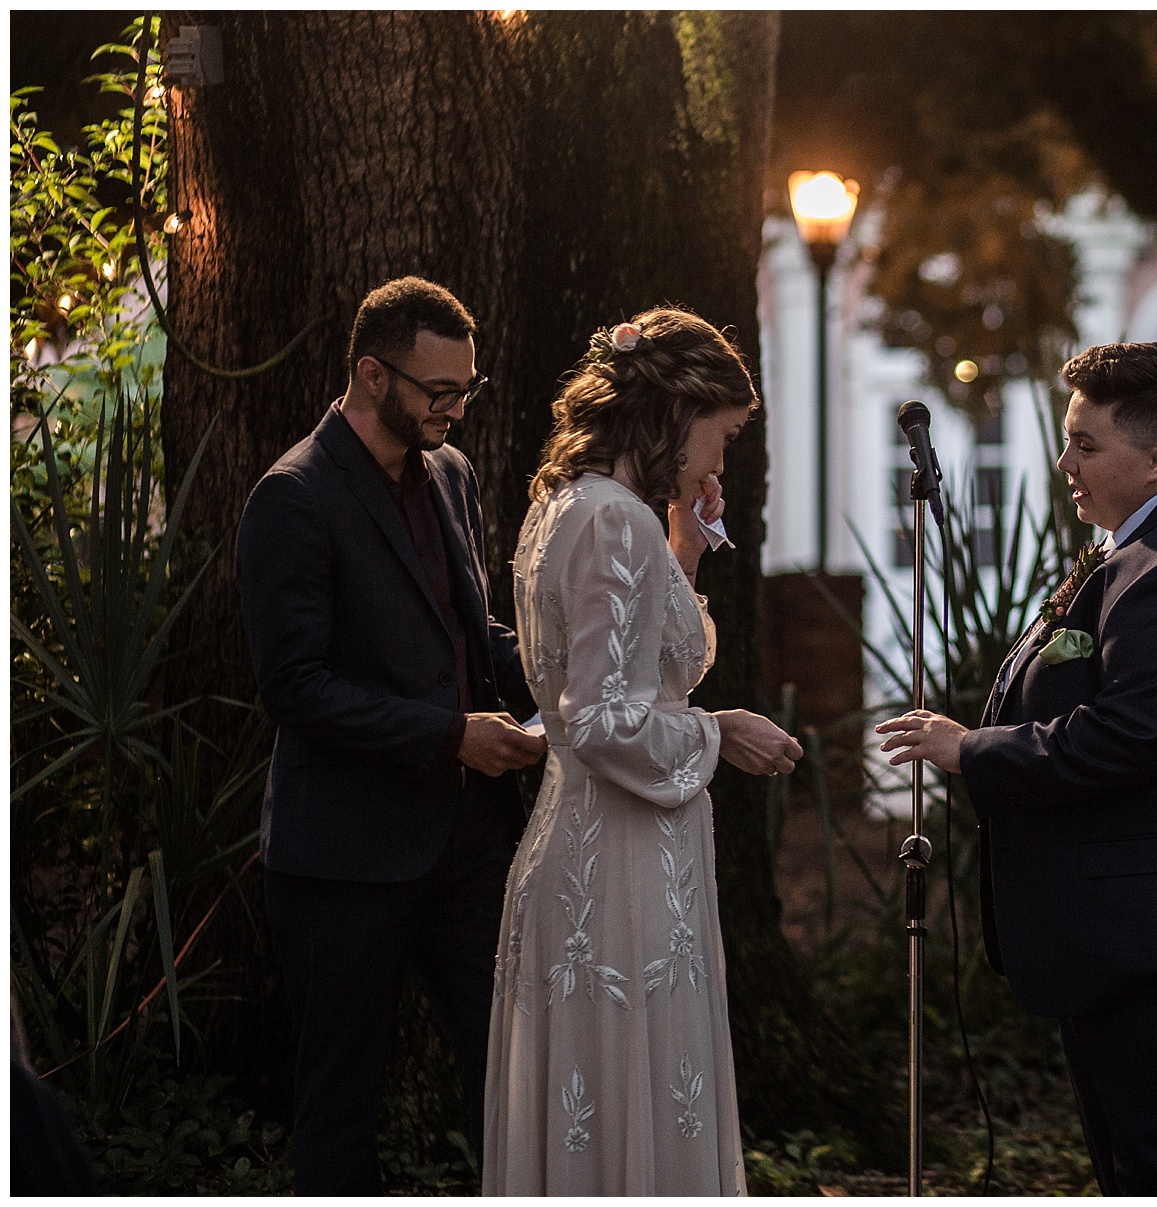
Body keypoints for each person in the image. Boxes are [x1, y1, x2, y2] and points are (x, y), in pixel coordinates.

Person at [876, 341, 1157, 1196]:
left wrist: (968, 749)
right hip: (1141, 931)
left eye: (1086, 444)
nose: (1063, 462)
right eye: (1065, 438)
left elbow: (1122, 739)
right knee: (1135, 1172)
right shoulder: (1142, 547)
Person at [237, 277, 547, 1195]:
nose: (456, 408)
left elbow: (465, 632)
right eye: (437, 391)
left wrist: (560, 672)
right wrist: (448, 734)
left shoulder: (449, 472)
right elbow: (294, 688)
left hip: (469, 844)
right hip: (343, 857)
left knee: (513, 1075)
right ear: (371, 375)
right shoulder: (290, 496)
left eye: (467, 389)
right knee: (340, 1105)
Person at [483, 308, 802, 1196]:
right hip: (616, 868)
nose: (720, 463)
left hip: (590, 846)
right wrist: (719, 729)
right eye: (723, 436)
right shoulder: (612, 521)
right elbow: (598, 720)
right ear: (677, 412)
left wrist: (685, 555)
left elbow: (630, 671)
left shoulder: (567, 506)